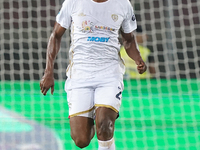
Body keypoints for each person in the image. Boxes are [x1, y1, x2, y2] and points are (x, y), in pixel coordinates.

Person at [40, 0, 147, 149]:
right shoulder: (73, 2)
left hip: (110, 73)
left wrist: (138, 58)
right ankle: (94, 114)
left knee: (105, 126)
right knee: (81, 140)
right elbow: (56, 36)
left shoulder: (123, 4)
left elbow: (129, 39)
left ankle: (103, 114)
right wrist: (48, 72)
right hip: (80, 74)